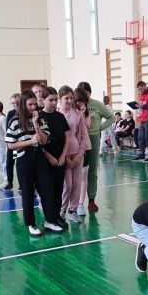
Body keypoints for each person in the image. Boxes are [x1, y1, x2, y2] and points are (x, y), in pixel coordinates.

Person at [6, 90, 61, 235]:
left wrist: (36, 125)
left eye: (34, 104)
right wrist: (29, 141)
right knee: (28, 193)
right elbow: (10, 145)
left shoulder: (40, 119)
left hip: (40, 158)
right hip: (24, 159)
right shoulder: (15, 121)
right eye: (30, 104)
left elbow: (44, 140)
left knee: (46, 189)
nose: (33, 107)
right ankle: (31, 224)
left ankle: (50, 221)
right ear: (23, 105)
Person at [77, 82, 114, 212]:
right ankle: (77, 203)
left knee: (92, 171)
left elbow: (111, 117)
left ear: (90, 93)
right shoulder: (75, 104)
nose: (83, 97)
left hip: (92, 137)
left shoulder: (97, 105)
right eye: (81, 94)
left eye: (86, 94)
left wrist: (99, 128)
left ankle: (91, 199)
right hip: (77, 139)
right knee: (78, 172)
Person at [39, 86, 70, 229]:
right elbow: (38, 141)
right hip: (45, 160)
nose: (53, 103)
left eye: (55, 100)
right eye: (50, 100)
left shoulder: (60, 116)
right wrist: (49, 156)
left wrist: (63, 155)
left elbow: (67, 138)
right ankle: (49, 218)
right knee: (48, 190)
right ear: (43, 100)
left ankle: (57, 215)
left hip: (60, 159)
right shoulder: (39, 117)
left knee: (59, 189)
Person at [58, 85, 90, 223]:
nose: (70, 101)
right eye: (66, 98)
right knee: (67, 186)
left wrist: (80, 153)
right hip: (63, 156)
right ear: (60, 99)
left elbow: (83, 134)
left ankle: (73, 210)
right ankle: (62, 211)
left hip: (77, 154)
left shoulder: (77, 114)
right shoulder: (57, 115)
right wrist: (64, 157)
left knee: (76, 184)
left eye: (71, 98)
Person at [74, 89, 93, 217]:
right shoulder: (68, 113)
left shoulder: (86, 114)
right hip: (71, 149)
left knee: (83, 176)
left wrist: (81, 114)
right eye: (79, 102)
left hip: (84, 148)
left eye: (84, 103)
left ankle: (80, 204)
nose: (82, 105)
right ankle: (70, 205)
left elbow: (85, 129)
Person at [2, 93, 21, 190]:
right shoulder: (10, 113)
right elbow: (7, 129)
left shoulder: (24, 112)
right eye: (12, 103)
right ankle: (9, 182)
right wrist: (8, 143)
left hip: (21, 143)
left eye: (16, 103)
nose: (14, 105)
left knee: (19, 164)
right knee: (9, 162)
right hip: (12, 142)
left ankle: (22, 184)